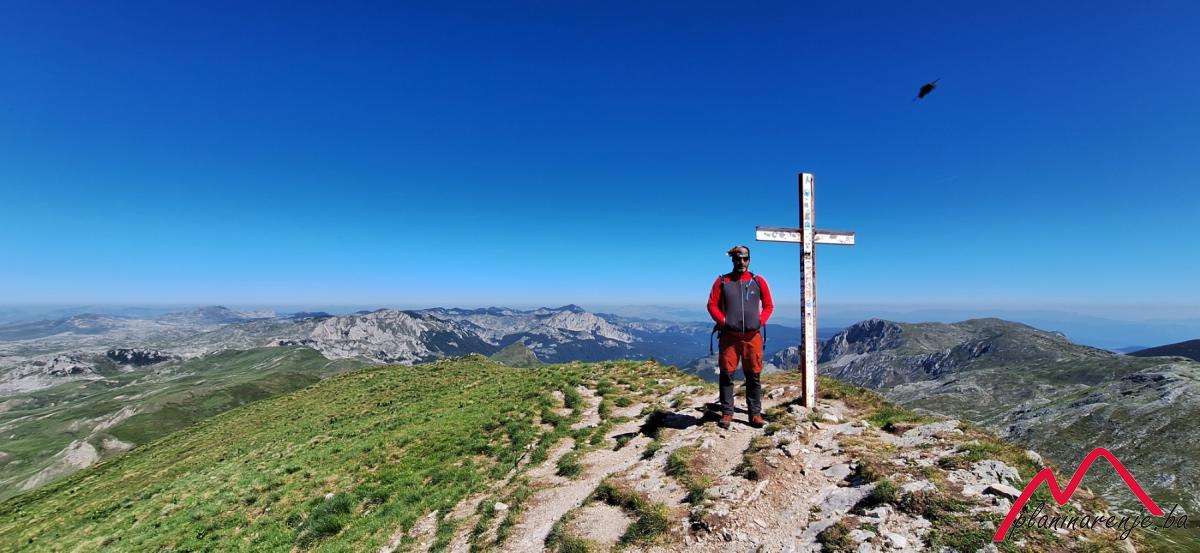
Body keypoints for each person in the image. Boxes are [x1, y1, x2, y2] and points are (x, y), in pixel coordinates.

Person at [706, 245, 774, 429]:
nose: (741, 262)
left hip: (753, 337)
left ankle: (755, 414)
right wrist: (723, 321)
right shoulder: (722, 281)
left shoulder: (758, 281)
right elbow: (711, 305)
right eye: (738, 259)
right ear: (733, 260)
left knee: (753, 376)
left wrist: (760, 321)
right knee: (726, 375)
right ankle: (727, 413)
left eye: (745, 259)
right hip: (729, 337)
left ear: (749, 260)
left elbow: (769, 305)